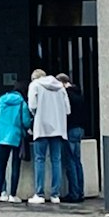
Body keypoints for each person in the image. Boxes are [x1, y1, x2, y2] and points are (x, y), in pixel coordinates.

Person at [27, 68, 70, 204]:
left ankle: (39, 193)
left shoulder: (35, 85)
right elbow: (67, 109)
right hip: (58, 128)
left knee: (40, 159)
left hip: (41, 127)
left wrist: (36, 114)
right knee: (56, 160)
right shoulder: (60, 87)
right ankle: (55, 194)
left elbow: (32, 105)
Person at [0, 80, 29, 203]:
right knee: (15, 165)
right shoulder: (22, 103)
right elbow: (26, 121)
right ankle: (13, 195)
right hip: (15, 136)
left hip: (0, 134)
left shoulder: (2, 99)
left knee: (1, 165)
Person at [59, 72, 87, 203]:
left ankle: (74, 193)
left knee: (70, 162)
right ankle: (80, 192)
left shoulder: (66, 95)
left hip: (70, 129)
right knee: (77, 161)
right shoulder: (78, 94)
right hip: (80, 129)